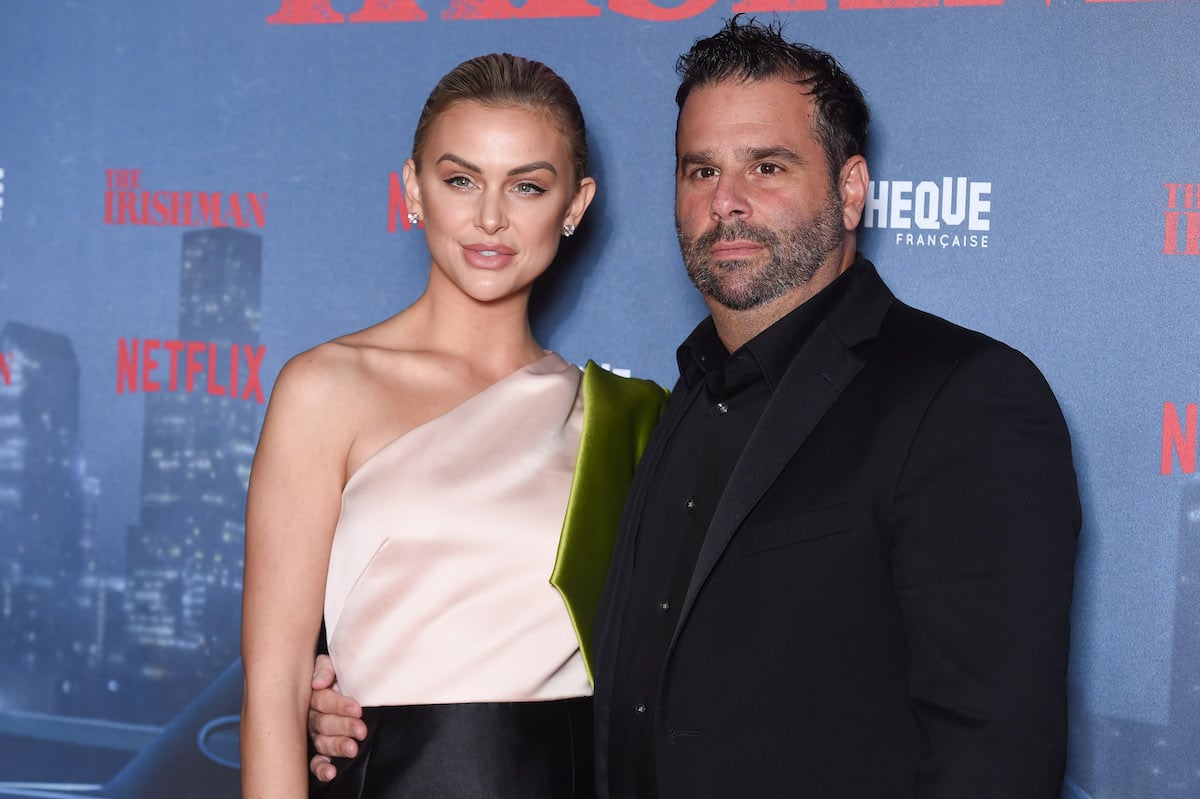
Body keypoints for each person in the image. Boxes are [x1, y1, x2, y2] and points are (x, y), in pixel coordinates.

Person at [308, 18, 1081, 798]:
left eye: (767, 166)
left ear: (851, 190)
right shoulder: (672, 404)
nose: (728, 202)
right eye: (700, 170)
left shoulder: (962, 395)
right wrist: (367, 705)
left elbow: (995, 753)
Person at [240, 53, 666, 799]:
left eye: (527, 186)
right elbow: (274, 687)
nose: (491, 218)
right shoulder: (326, 388)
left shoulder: (626, 420)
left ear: (575, 203)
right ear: (413, 188)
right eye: (460, 179)